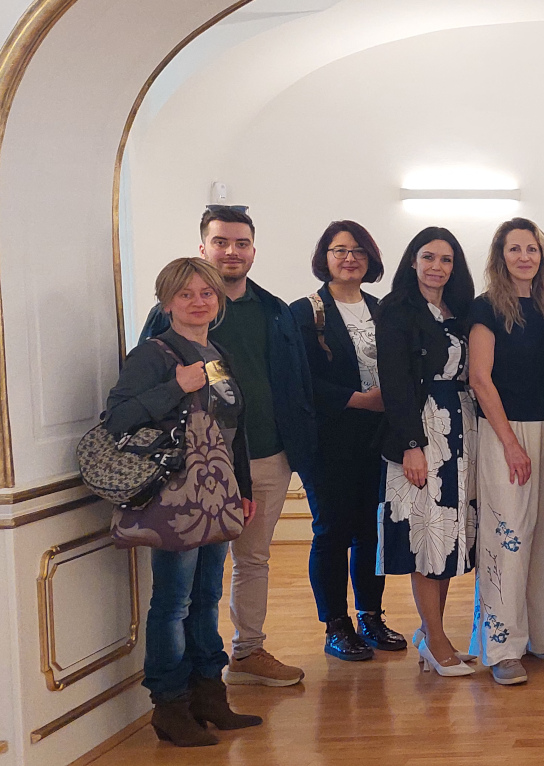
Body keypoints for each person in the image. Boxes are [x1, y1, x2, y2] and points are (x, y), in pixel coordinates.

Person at [139, 206, 316, 687]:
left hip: (266, 456)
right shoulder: (173, 313)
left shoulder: (274, 310)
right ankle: (191, 677)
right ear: (203, 248)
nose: (231, 252)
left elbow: (294, 381)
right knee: (191, 580)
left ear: (253, 250)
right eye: (221, 242)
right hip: (194, 468)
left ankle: (248, 651)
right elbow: (148, 386)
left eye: (241, 243)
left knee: (253, 560)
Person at [111, 258, 260, 746]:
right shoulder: (153, 355)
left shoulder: (217, 352)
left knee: (206, 596)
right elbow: (118, 417)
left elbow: (233, 427)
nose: (198, 302)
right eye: (186, 294)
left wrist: (243, 489)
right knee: (173, 602)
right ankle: (170, 705)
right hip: (176, 498)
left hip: (218, 495)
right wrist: (176, 386)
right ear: (167, 301)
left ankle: (208, 696)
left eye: (207, 293)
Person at [288, 221, 406, 663]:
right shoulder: (305, 312)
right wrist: (357, 400)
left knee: (372, 530)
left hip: (377, 438)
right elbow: (298, 380)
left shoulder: (383, 310)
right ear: (325, 257)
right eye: (339, 250)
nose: (349, 258)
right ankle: (336, 625)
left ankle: (371, 617)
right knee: (332, 531)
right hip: (329, 439)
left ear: (370, 258)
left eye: (358, 250)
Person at [375, 226, 479, 678]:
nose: (437, 266)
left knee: (450, 536)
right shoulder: (396, 310)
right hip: (422, 429)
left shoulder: (459, 311)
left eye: (446, 259)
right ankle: (435, 639)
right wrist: (411, 445)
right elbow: (395, 383)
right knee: (427, 535)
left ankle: (433, 634)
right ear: (413, 261)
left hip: (461, 428)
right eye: (429, 257)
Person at [467, 218, 544, 685]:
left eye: (532, 249)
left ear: (542, 256)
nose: (524, 257)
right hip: (505, 432)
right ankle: (503, 648)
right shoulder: (486, 307)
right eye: (514, 249)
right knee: (508, 539)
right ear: (500, 257)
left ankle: (541, 637)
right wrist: (510, 444)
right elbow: (480, 379)